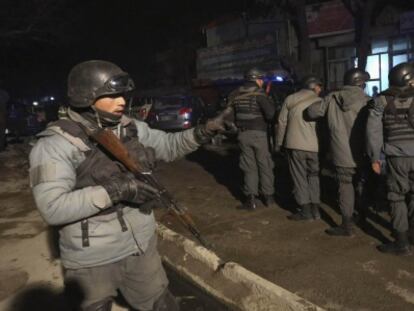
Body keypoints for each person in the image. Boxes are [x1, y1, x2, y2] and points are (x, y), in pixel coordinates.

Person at [29, 60, 225, 311]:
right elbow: (52, 207)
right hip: (92, 258)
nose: (122, 100)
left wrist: (205, 131)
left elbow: (169, 145)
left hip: (141, 246)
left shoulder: (131, 128)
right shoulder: (55, 144)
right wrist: (117, 190)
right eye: (112, 95)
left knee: (162, 305)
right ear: (85, 97)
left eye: (122, 94)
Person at [306, 68, 371, 236]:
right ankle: (362, 216)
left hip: (341, 153)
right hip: (364, 152)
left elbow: (311, 112)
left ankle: (346, 225)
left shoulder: (332, 98)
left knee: (345, 186)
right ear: (361, 83)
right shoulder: (368, 100)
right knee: (362, 184)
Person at [366, 62, 414, 256]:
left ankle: (401, 243)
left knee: (396, 196)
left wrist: (374, 157)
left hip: (396, 157)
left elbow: (373, 132)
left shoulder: (382, 101)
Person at [228, 67, 276, 210]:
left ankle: (251, 200)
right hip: (259, 134)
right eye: (261, 79)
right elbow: (270, 115)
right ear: (257, 80)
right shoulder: (260, 94)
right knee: (264, 165)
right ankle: (268, 198)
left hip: (242, 135)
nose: (262, 82)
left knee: (249, 167)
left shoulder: (235, 94)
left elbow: (229, 117)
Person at [276, 75, 323, 220]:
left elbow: (281, 122)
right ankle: (316, 210)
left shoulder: (291, 99)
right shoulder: (321, 101)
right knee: (314, 176)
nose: (321, 90)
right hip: (315, 146)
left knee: (299, 177)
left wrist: (279, 143)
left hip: (295, 145)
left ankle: (305, 210)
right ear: (314, 87)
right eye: (320, 87)